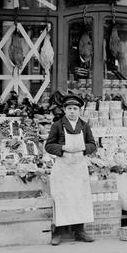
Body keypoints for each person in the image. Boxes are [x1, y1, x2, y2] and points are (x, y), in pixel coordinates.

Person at [44, 94, 96, 244]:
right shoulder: (57, 125)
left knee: (80, 198)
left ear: (79, 111)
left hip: (79, 168)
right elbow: (48, 145)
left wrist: (84, 148)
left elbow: (93, 144)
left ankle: (80, 231)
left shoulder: (84, 126)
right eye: (69, 108)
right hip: (63, 169)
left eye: (75, 108)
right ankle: (58, 232)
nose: (72, 111)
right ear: (64, 110)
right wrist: (62, 148)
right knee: (62, 199)